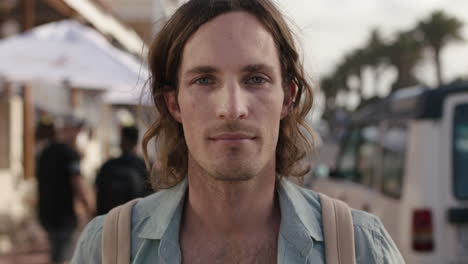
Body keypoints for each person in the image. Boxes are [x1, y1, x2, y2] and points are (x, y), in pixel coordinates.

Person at [71, 0, 405, 263]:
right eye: (204, 80)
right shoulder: (108, 249)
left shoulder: (361, 248)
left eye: (255, 79)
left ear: (288, 97)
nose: (232, 108)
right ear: (173, 104)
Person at [37, 116, 94, 264]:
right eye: (77, 129)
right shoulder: (69, 153)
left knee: (57, 254)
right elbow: (77, 184)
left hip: (47, 213)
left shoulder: (45, 152)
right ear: (67, 129)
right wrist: (89, 207)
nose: (78, 134)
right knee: (64, 257)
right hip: (64, 215)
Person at [95, 125, 150, 215]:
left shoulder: (108, 166)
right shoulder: (145, 166)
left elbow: (99, 194)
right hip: (136, 219)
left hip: (110, 219)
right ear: (136, 141)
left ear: (122, 141)